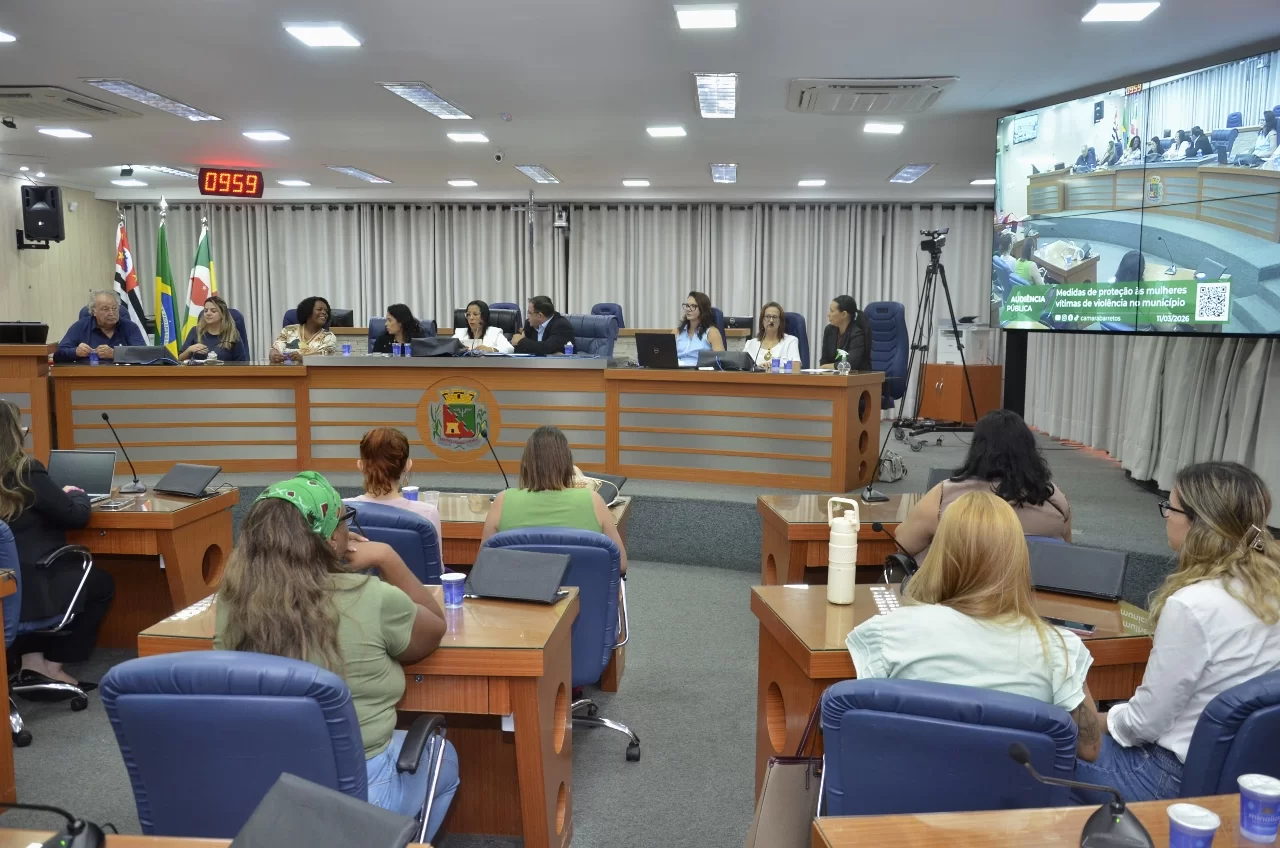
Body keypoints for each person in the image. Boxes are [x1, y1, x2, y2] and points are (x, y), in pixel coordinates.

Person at [214, 472, 458, 839]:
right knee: (443, 755)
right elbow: (434, 628)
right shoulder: (372, 597)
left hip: (265, 788)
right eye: (345, 520)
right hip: (360, 792)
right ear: (330, 538)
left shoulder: (232, 599)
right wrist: (388, 558)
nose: (349, 528)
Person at [1073, 461, 1280, 802]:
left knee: (1045, 745)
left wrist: (1098, 720)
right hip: (1246, 771)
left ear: (1200, 523)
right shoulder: (1269, 587)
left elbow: (1143, 725)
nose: (1167, 515)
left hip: (1166, 777)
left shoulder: (1193, 604)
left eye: (1171, 507)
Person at [846, 491, 1101, 763]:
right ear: (1018, 561)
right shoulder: (1060, 649)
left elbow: (863, 730)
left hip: (912, 786)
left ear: (940, 555)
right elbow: (1090, 749)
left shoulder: (888, 634)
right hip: (1015, 789)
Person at [0, 400, 114, 689]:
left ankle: (31, 662)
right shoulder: (26, 472)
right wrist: (75, 493)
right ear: (12, 433)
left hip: (5, 588)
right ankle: (53, 666)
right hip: (31, 591)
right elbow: (76, 515)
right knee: (101, 584)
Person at [894, 409, 1071, 560]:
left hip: (960, 589)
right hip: (1031, 589)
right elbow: (1066, 555)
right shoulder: (1054, 498)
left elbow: (903, 543)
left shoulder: (945, 495)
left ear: (978, 449)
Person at [482, 425, 628, 573]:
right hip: (581, 588)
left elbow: (484, 563)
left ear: (526, 464)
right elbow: (621, 564)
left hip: (519, 587)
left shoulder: (502, 501)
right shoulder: (593, 500)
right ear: (567, 464)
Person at [348, 427, 443, 553]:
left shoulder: (343, 510)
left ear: (361, 465)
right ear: (407, 465)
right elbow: (435, 564)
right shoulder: (427, 513)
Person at [54, 291, 147, 362]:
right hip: (88, 377)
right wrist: (75, 352)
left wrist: (115, 354)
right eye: (105, 309)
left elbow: (144, 354)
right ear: (94, 311)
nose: (111, 313)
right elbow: (57, 355)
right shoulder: (80, 326)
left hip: (123, 377)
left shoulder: (130, 327)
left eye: (114, 308)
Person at [178, 296, 248, 362]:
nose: (208, 313)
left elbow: (242, 363)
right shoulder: (195, 331)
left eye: (213, 311)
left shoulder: (232, 334)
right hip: (199, 371)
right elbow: (179, 359)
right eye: (205, 311)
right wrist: (189, 350)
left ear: (222, 314)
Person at [270, 296, 338, 362]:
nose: (324, 313)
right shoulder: (288, 330)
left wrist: (303, 358)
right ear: (307, 312)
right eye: (319, 309)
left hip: (313, 369)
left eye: (326, 311)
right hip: (287, 368)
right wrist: (273, 355)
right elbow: (276, 348)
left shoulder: (329, 336)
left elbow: (327, 355)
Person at [818, 295, 872, 371]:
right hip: (835, 375)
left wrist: (829, 366)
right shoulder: (829, 330)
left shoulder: (857, 333)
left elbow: (851, 363)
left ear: (844, 314)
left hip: (856, 376)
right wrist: (826, 367)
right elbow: (824, 360)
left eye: (832, 311)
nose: (828, 314)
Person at [674, 291, 726, 367]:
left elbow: (721, 361)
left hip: (700, 371)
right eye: (687, 306)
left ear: (702, 309)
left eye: (693, 306)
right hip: (676, 371)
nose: (688, 309)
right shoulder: (677, 332)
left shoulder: (712, 332)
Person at [742, 302, 801, 368]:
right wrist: (758, 368)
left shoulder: (790, 341)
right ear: (762, 320)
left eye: (775, 317)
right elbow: (742, 368)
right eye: (768, 316)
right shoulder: (750, 343)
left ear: (780, 321)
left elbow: (796, 367)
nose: (771, 320)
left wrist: (774, 368)